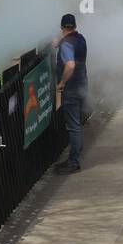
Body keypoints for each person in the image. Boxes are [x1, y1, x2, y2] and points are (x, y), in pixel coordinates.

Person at [54, 13, 88, 174]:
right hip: (82, 86)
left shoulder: (66, 44)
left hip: (72, 89)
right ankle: (73, 158)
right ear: (74, 26)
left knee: (73, 127)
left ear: (62, 28)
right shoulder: (80, 39)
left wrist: (61, 83)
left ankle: (73, 162)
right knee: (77, 125)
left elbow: (70, 64)